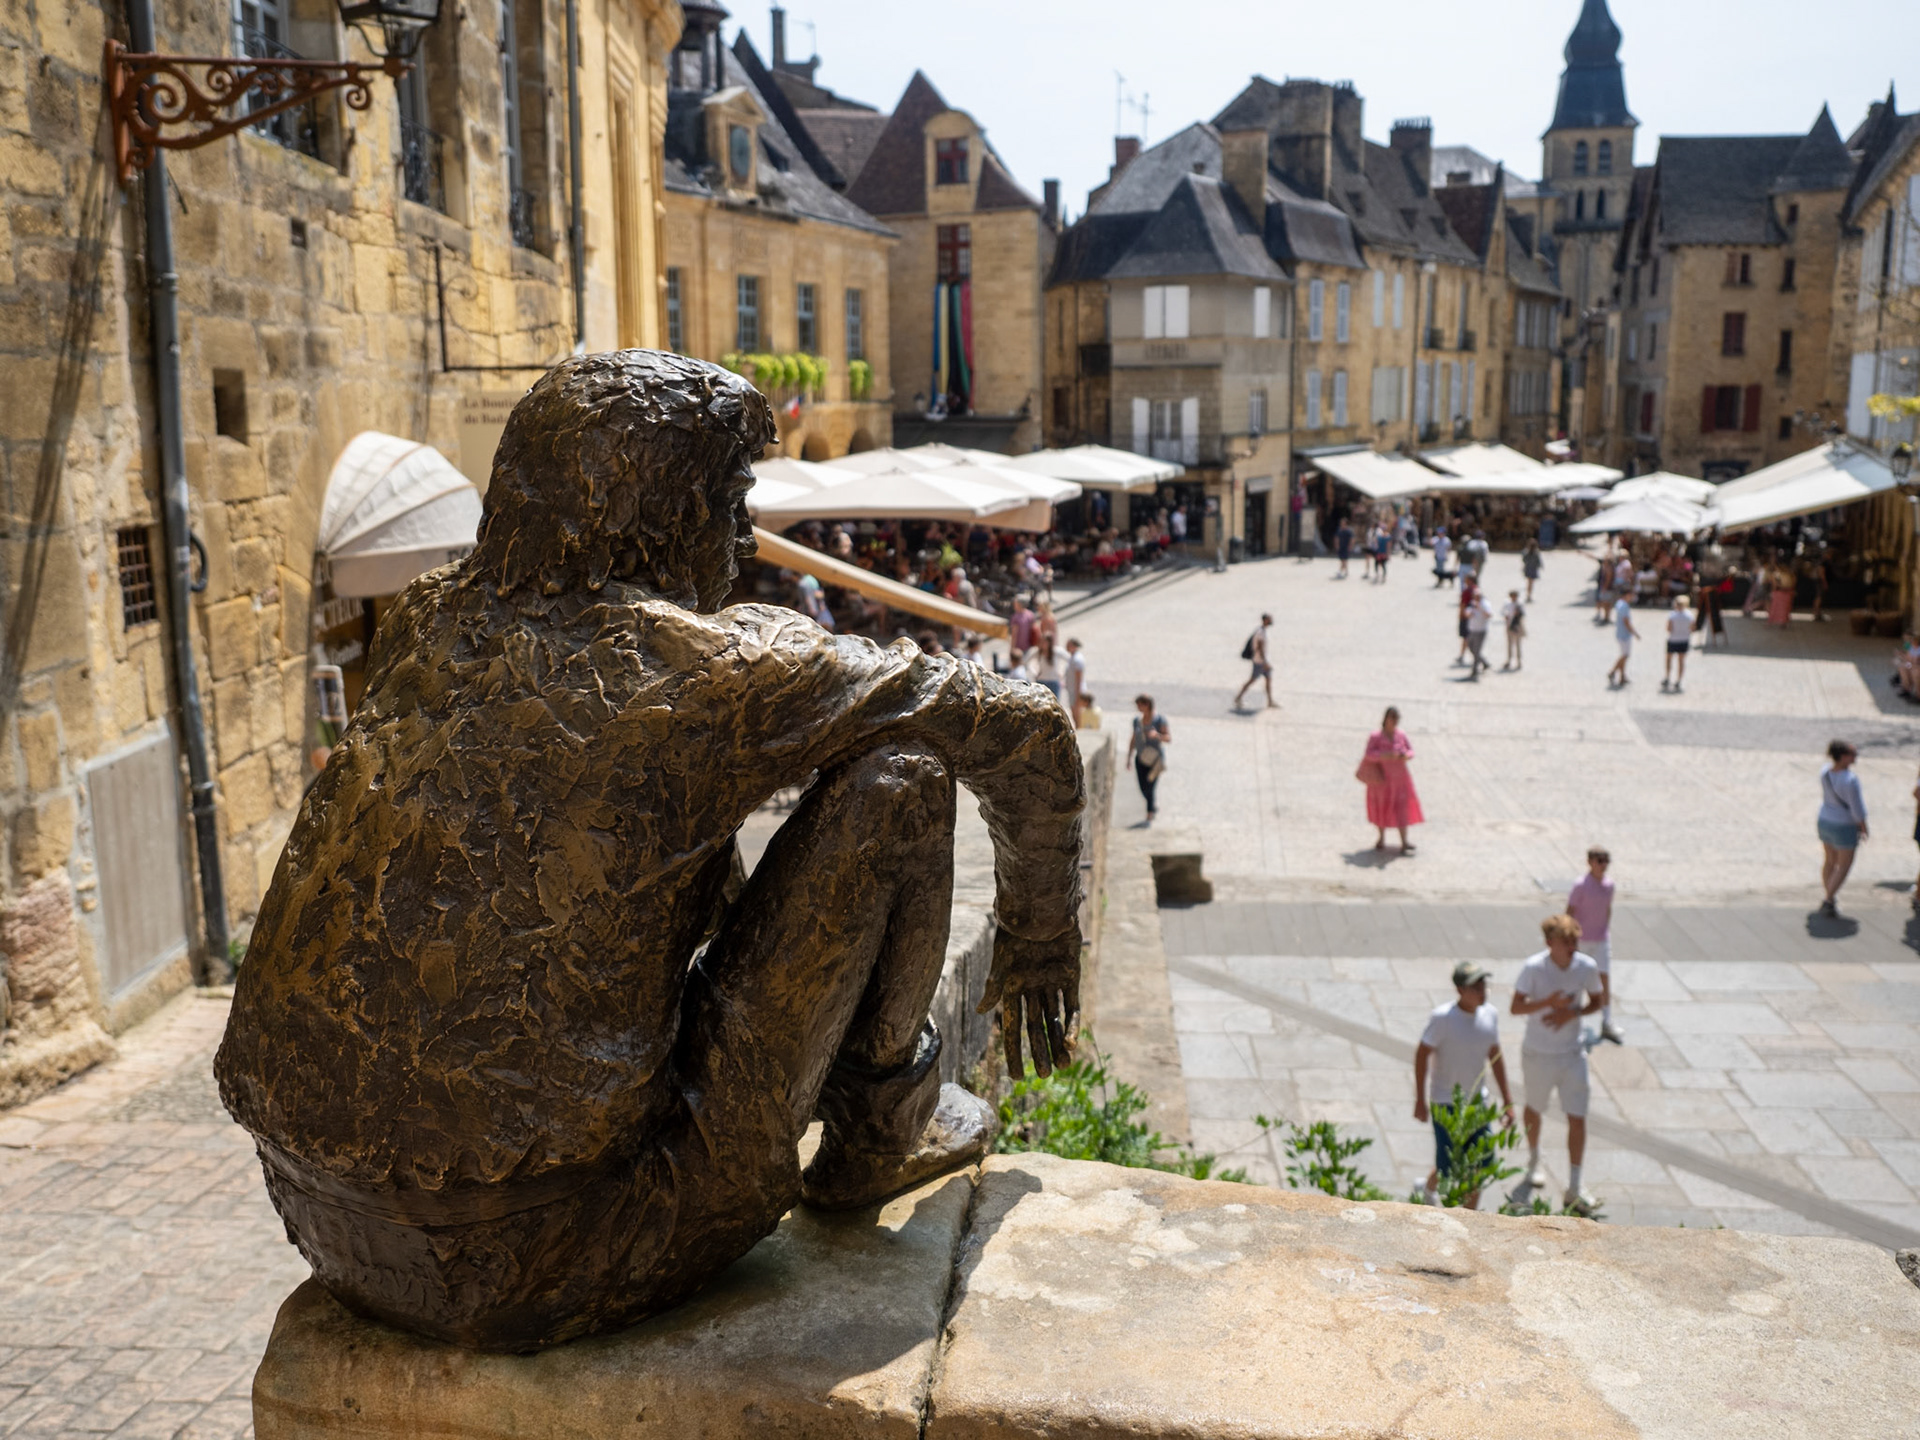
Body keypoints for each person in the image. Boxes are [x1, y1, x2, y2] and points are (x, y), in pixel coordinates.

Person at [214, 351, 1084, 1349]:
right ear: (671, 511)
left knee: (678, 837)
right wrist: (1041, 937)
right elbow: (1026, 731)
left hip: (323, 1225)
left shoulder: (421, 624)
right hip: (564, 1251)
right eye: (732, 504)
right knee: (905, 784)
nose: (744, 537)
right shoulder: (710, 667)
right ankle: (876, 1137)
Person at [1512, 913, 1606, 1215]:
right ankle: (1533, 1162)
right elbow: (1515, 1007)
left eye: (1575, 941)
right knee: (1534, 1108)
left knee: (1577, 1116)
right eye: (1566, 942)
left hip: (1571, 1053)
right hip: (1538, 1053)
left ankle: (1575, 1186)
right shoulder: (1534, 968)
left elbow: (1597, 1001)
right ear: (1549, 943)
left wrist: (1571, 1013)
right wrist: (1547, 1003)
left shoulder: (1585, 967)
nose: (1572, 947)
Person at [1413, 962, 1514, 1208]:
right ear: (1459, 990)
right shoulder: (1442, 1019)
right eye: (1475, 987)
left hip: (1477, 1103)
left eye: (1483, 985)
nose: (1482, 991)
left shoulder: (1490, 1014)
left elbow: (1495, 1056)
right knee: (1448, 1164)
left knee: (1480, 1164)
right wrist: (1420, 1099)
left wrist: (1508, 1101)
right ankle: (1428, 1189)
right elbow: (1422, 1054)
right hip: (1446, 1102)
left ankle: (1469, 1216)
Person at [1566, 847, 1624, 1044]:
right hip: (1582, 940)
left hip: (1600, 940)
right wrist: (1569, 938)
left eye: (1606, 860)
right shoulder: (1581, 885)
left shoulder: (1609, 886)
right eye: (1600, 860)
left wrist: (1605, 931)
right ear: (1590, 862)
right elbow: (1570, 912)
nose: (1603, 865)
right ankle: (1577, 1023)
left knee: (1604, 979)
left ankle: (1607, 1021)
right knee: (1578, 980)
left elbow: (1607, 910)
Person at [1359, 706, 1423, 852]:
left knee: (1402, 809)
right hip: (1381, 780)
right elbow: (1368, 754)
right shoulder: (1376, 736)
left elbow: (1410, 751)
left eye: (1396, 719)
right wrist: (1385, 755)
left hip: (1400, 779)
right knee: (1382, 808)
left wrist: (1405, 755)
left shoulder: (1400, 735)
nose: (1394, 722)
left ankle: (1404, 842)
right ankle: (1381, 838)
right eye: (1392, 718)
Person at [1818, 739, 1868, 918]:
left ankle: (1829, 896)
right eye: (1853, 754)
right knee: (1844, 864)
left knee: (1830, 861)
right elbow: (1857, 808)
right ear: (1844, 757)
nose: (1856, 757)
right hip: (1843, 824)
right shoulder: (1850, 780)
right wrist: (1863, 827)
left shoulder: (1824, 772)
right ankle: (1829, 898)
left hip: (1825, 820)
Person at [1126, 694, 1171, 825]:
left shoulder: (1159, 720)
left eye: (1140, 705)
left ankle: (1149, 813)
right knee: (1143, 787)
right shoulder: (1136, 721)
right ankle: (1151, 805)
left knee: (1151, 787)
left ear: (1147, 705)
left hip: (1155, 760)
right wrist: (1128, 757)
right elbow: (1133, 739)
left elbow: (1168, 738)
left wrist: (1157, 735)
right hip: (1140, 758)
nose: (1138, 708)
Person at [1234, 612, 1277, 711]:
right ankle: (1238, 697)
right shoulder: (1260, 633)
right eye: (1269, 619)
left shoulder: (1261, 631)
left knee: (1268, 680)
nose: (1271, 621)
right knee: (1252, 680)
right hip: (1259, 662)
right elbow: (1260, 649)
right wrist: (1265, 663)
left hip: (1260, 661)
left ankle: (1270, 701)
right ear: (1265, 620)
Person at [1607, 590, 1639, 688]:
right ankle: (1612, 672)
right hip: (1624, 634)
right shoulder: (1624, 606)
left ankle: (1622, 676)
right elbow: (1626, 622)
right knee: (1624, 656)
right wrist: (1635, 633)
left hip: (1620, 633)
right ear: (1628, 595)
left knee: (1624, 656)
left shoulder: (1619, 603)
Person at [1662, 596, 1693, 692]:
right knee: (1681, 661)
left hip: (1673, 640)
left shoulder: (1672, 615)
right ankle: (1679, 680)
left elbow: (1668, 629)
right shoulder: (1689, 615)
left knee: (1669, 660)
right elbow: (1692, 628)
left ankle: (1667, 677)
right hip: (1684, 640)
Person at [1464, 588, 1493, 679]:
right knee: (1471, 648)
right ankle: (1484, 662)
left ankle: (1475, 670)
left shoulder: (1485, 604)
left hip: (1481, 630)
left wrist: (1480, 608)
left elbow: (1489, 615)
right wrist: (1469, 613)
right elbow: (1467, 613)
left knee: (1476, 650)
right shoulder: (1472, 603)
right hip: (1472, 629)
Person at [1026, 635, 1064, 702]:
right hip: (1041, 681)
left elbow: (1069, 660)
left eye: (1045, 642)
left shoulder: (1056, 651)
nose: (1043, 644)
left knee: (1055, 703)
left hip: (1053, 681)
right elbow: (1026, 662)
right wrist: (1034, 672)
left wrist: (1062, 673)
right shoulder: (1037, 652)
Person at [1064, 638, 1089, 727]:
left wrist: (1078, 696)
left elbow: (1079, 678)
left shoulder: (1077, 659)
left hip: (1076, 691)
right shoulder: (1072, 657)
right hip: (1072, 690)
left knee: (1077, 716)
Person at [1501, 589, 1526, 671]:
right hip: (1509, 625)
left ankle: (1519, 661)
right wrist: (1506, 615)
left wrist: (1518, 613)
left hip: (1517, 626)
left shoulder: (1520, 603)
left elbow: (1523, 614)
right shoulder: (1507, 603)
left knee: (1518, 644)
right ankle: (1509, 660)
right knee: (1509, 644)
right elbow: (1503, 611)